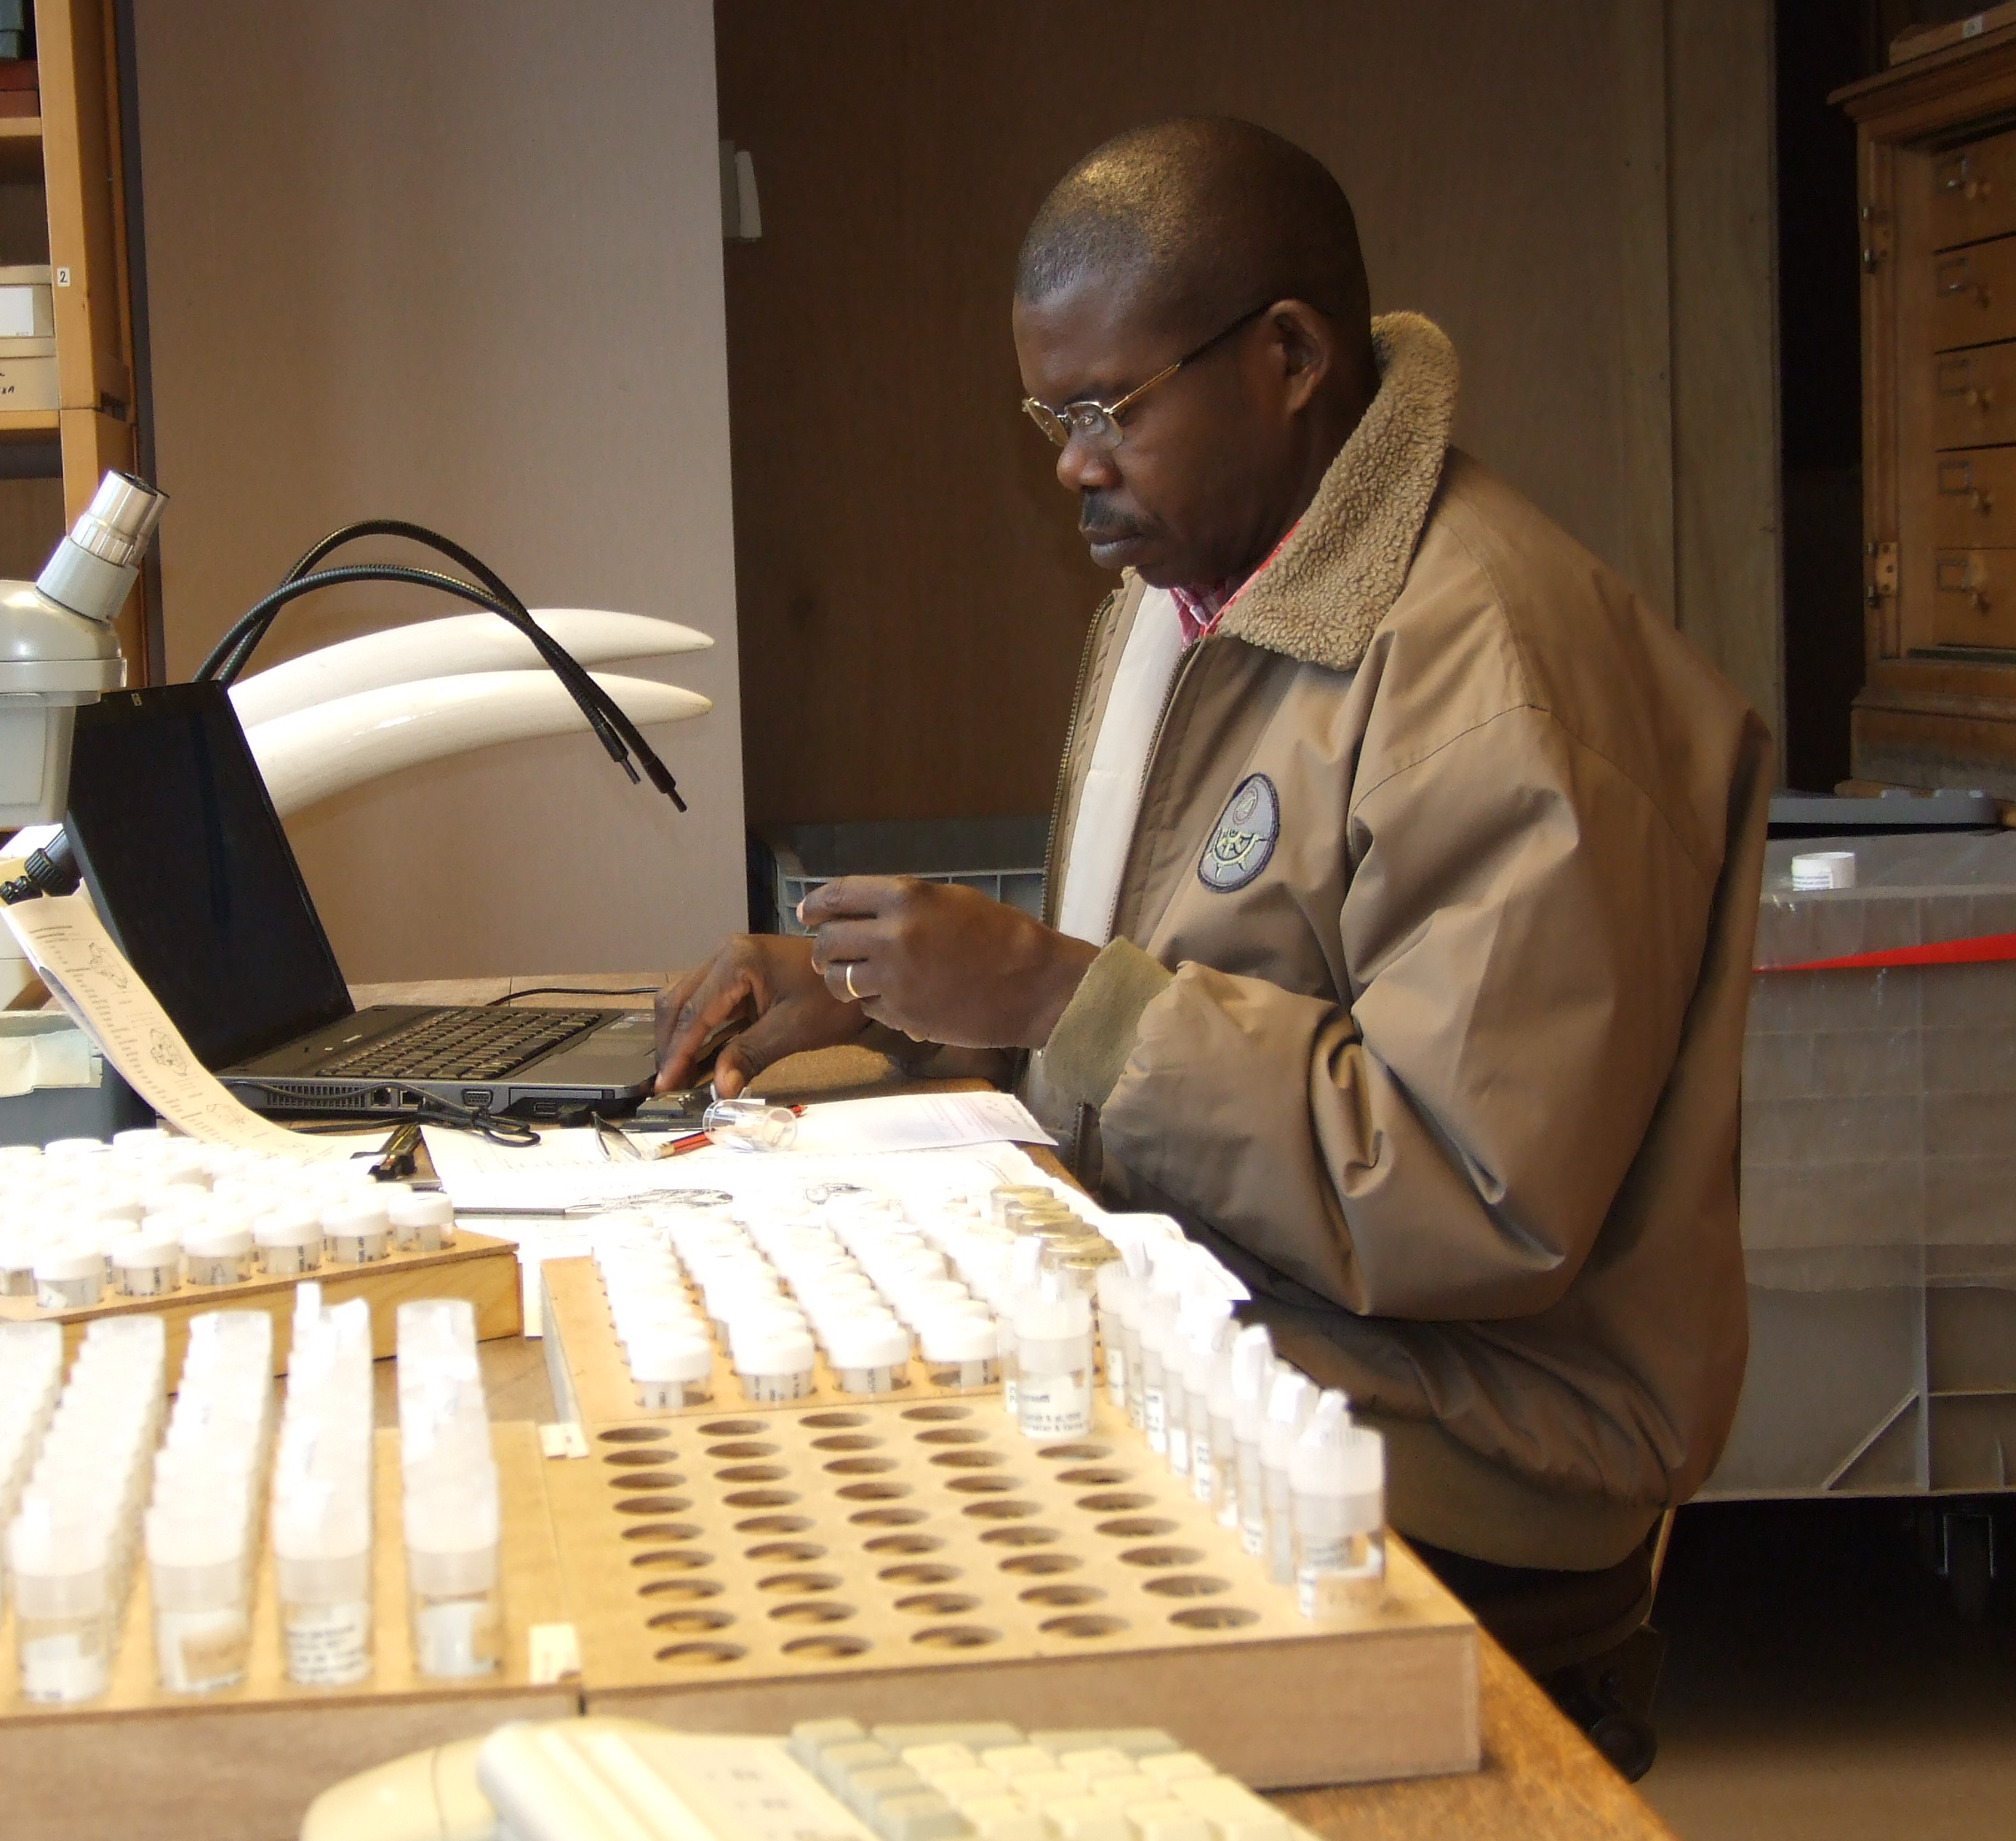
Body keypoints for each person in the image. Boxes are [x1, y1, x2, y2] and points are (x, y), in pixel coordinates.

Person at [655, 119, 1771, 1586]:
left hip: (1471, 1442)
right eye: (1050, 421)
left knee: (863, 1535)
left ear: (1292, 359)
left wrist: (1060, 997)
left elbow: (1475, 1195)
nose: (1075, 469)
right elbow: (1156, 1025)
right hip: (1254, 1318)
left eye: (1109, 410)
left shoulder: (1494, 678)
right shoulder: (1188, 600)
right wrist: (886, 994)